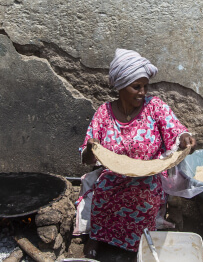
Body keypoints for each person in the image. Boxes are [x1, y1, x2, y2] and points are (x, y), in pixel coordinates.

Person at [79, 48, 196, 256]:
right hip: (114, 176)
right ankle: (96, 237)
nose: (142, 92)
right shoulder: (104, 113)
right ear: (121, 86)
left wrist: (185, 138)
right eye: (136, 87)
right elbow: (88, 158)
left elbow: (175, 130)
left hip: (146, 178)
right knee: (103, 194)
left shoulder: (154, 107)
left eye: (145, 86)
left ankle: (139, 246)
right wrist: (91, 147)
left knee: (144, 199)